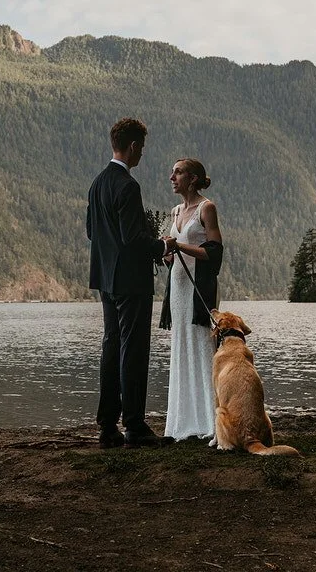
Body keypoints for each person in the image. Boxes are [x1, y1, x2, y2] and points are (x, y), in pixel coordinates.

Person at [87, 117, 177, 449]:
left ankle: (108, 426)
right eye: (142, 149)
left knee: (111, 346)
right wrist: (162, 246)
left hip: (105, 280)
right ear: (134, 146)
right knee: (133, 350)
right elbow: (133, 239)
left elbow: (91, 233)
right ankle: (135, 427)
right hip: (131, 281)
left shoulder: (97, 183)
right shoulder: (128, 186)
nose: (142, 155)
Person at [159, 158, 223, 442]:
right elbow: (174, 252)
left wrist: (180, 246)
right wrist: (168, 254)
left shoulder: (206, 208)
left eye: (178, 172)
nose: (172, 177)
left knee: (202, 348)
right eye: (173, 172)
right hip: (178, 288)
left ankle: (212, 423)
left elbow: (215, 251)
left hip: (199, 289)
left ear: (193, 178)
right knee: (182, 346)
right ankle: (183, 424)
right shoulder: (174, 211)